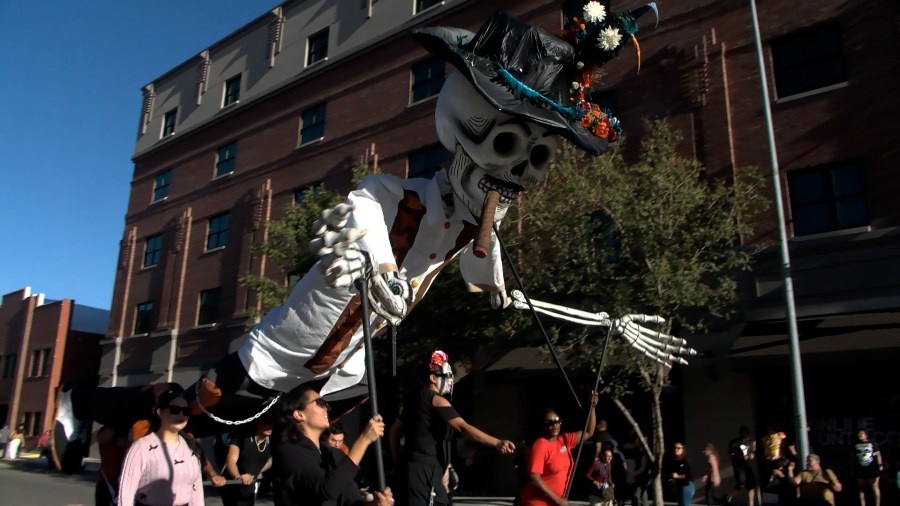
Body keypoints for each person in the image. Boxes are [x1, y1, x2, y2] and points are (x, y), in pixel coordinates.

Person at [389, 350, 515, 506]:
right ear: (432, 378)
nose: (450, 380)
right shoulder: (436, 400)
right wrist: (496, 442)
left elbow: (394, 431)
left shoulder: (416, 398)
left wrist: (399, 462)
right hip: (424, 471)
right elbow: (463, 428)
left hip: (415, 469)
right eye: (446, 376)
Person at [270, 386, 392, 506]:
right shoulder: (289, 452)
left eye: (325, 404)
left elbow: (350, 501)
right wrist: (364, 440)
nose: (326, 408)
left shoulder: (333, 454)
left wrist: (375, 504)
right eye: (319, 402)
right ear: (299, 414)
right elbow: (326, 490)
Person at [117, 389, 205, 506]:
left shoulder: (191, 448)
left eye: (186, 411)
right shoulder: (141, 447)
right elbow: (126, 492)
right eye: (175, 410)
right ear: (160, 412)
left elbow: (196, 491)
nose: (181, 415)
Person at [518, 390, 599, 506]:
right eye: (550, 422)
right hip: (537, 502)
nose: (555, 425)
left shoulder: (564, 440)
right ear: (543, 425)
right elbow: (534, 478)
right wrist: (557, 500)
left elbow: (589, 432)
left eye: (557, 421)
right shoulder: (540, 444)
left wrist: (592, 406)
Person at [222, 419, 274, 506]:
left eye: (272, 424)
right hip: (233, 484)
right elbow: (230, 461)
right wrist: (238, 477)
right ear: (258, 422)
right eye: (267, 423)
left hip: (250, 485)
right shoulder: (241, 437)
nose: (270, 427)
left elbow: (269, 462)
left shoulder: (273, 441)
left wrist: (257, 471)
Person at [852, 428, 883, 506]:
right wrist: (851, 467)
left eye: (861, 433)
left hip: (872, 469)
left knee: (874, 487)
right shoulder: (855, 444)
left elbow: (878, 455)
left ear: (865, 435)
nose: (859, 435)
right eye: (858, 434)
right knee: (861, 488)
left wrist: (880, 465)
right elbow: (852, 457)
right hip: (860, 469)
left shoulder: (872, 443)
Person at [728, 426, 758, 506]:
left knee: (751, 485)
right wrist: (740, 456)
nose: (747, 435)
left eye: (748, 433)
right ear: (741, 433)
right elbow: (730, 454)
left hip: (747, 466)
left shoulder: (751, 441)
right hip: (738, 466)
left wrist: (752, 455)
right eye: (745, 433)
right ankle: (729, 497)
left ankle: (751, 503)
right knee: (741, 484)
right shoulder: (734, 442)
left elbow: (754, 452)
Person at [621, 433, 650, 506]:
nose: (635, 441)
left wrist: (633, 474)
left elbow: (642, 468)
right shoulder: (638, 450)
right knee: (643, 497)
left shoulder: (644, 453)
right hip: (639, 476)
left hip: (642, 477)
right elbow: (627, 446)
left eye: (637, 440)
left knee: (636, 496)